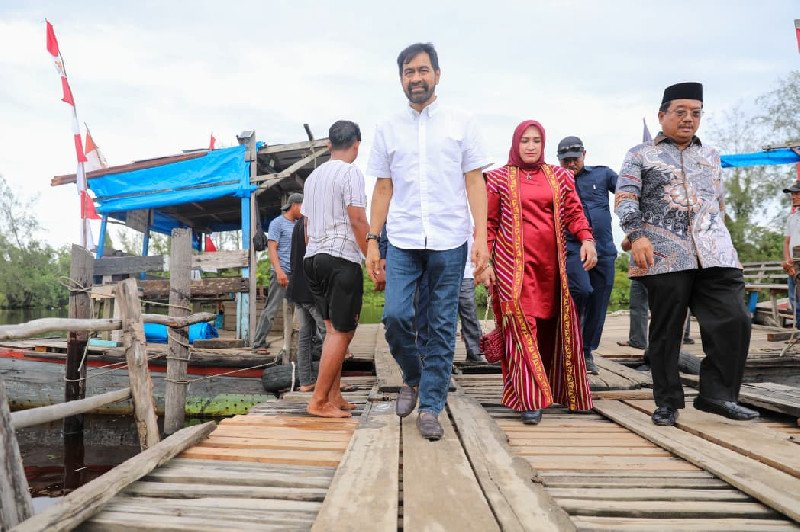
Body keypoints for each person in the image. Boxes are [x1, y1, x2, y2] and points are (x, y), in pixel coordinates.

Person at [365, 42, 491, 440]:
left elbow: (475, 181)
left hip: (450, 238)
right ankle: (415, 377)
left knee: (440, 325)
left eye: (422, 70)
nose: (415, 78)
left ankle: (432, 406)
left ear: (437, 73)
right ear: (400, 79)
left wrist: (481, 236)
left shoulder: (462, 122)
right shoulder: (387, 128)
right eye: (408, 72)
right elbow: (383, 188)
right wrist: (372, 241)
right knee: (396, 316)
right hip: (402, 239)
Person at [615, 81, 758, 426]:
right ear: (662, 115)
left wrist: (726, 243)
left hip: (715, 253)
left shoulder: (710, 156)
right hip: (663, 253)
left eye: (696, 113)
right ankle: (667, 401)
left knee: (735, 320)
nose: (688, 119)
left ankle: (717, 396)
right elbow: (625, 198)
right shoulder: (640, 154)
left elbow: (716, 205)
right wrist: (636, 235)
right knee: (667, 330)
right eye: (680, 112)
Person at [484, 119, 597, 425]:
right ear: (515, 144)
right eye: (525, 141)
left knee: (550, 328)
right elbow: (489, 224)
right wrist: (485, 264)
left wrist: (587, 238)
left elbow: (574, 211)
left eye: (536, 141)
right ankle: (529, 399)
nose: (531, 146)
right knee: (523, 327)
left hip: (551, 267)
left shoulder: (559, 175)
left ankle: (558, 390)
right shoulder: (496, 179)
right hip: (512, 266)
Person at [303, 120, 369, 418]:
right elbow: (357, 220)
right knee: (342, 333)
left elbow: (306, 225)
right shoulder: (351, 172)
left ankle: (334, 395)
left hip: (313, 258)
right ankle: (318, 401)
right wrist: (373, 259)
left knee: (333, 331)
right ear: (356, 144)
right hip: (341, 257)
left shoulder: (313, 177)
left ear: (329, 144)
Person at [558, 136, 618, 375]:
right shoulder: (557, 180)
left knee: (599, 304)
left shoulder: (603, 174)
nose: (571, 165)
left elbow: (628, 192)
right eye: (566, 161)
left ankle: (586, 352)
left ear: (584, 154)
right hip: (572, 249)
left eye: (575, 159)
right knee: (580, 293)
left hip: (604, 250)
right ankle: (567, 347)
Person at [252, 193, 303, 349]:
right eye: (303, 206)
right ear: (294, 205)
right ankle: (258, 343)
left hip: (297, 275)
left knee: (304, 309)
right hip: (281, 272)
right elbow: (272, 249)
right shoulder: (277, 223)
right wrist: (279, 271)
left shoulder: (299, 224)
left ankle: (304, 344)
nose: (304, 210)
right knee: (271, 309)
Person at [286, 216, 325, 391]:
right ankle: (330, 383)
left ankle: (306, 381)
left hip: (297, 286)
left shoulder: (298, 224)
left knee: (305, 335)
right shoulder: (311, 221)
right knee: (329, 334)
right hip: (310, 288)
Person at [782, 181, 800, 326]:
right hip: (793, 265)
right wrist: (788, 262)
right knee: (794, 300)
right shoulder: (792, 217)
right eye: (792, 194)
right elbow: (787, 242)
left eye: (796, 193)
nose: (793, 197)